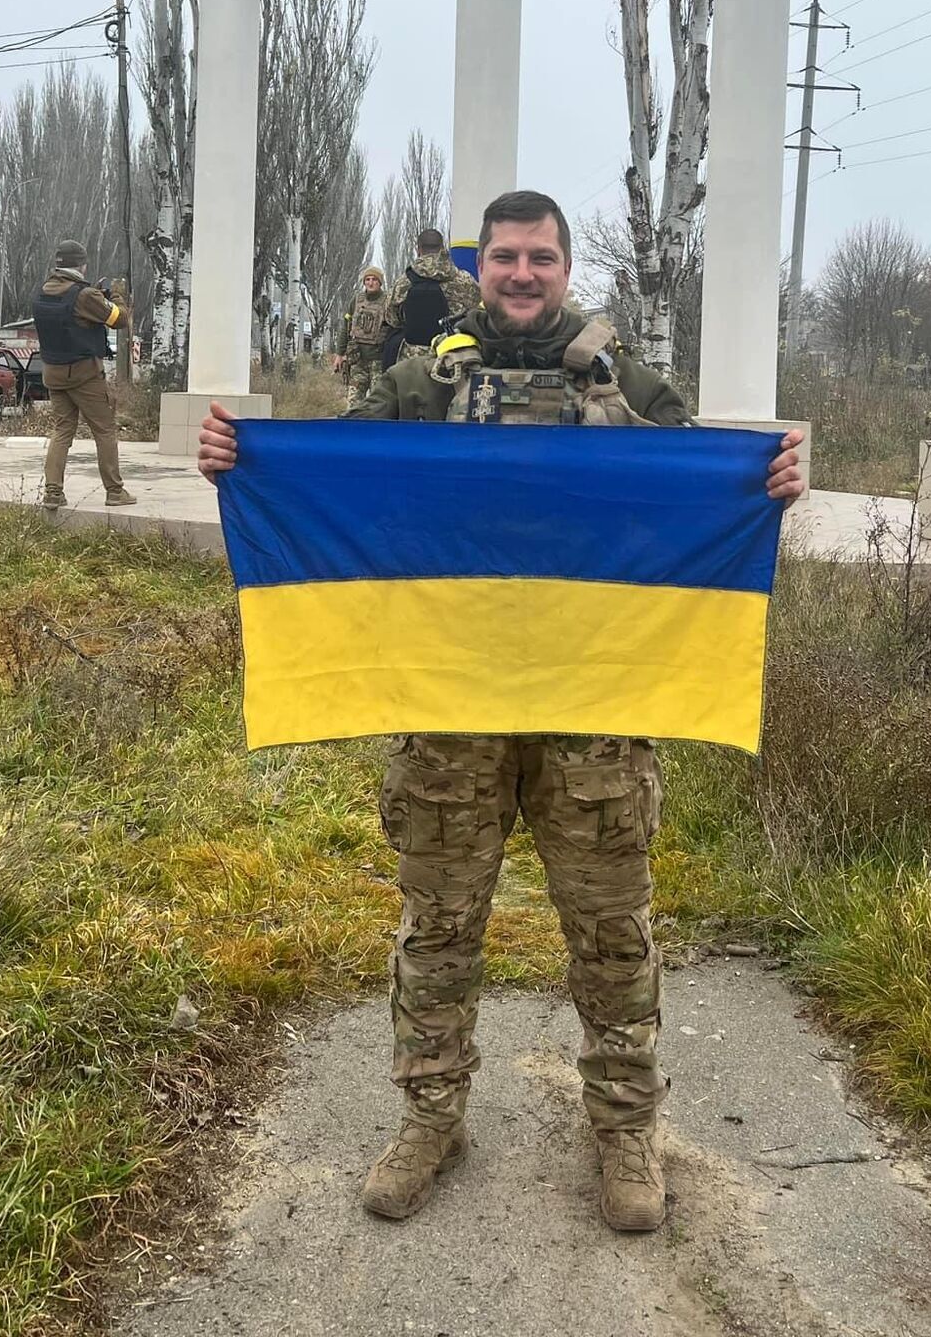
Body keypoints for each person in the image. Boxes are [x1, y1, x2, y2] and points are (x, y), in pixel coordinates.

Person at [197, 190, 805, 1235]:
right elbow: (338, 471)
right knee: (438, 931)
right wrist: (240, 460)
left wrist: (776, 478)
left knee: (613, 935)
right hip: (451, 710)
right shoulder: (424, 377)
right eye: (507, 258)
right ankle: (431, 1116)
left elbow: (697, 481)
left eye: (542, 258)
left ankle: (623, 1127)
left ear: (568, 267)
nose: (522, 274)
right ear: (483, 267)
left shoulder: (629, 381)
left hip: (594, 711)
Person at [33, 238, 136, 510]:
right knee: (104, 430)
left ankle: (53, 492)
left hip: (53, 373)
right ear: (82, 264)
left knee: (62, 432)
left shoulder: (42, 291)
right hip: (84, 375)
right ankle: (114, 491)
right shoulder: (85, 295)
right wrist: (114, 295)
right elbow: (120, 320)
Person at [382, 227, 480, 365]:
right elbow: (477, 313)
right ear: (442, 247)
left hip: (412, 360)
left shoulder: (404, 282)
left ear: (418, 249)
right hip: (453, 357)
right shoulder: (465, 280)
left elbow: (391, 318)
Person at [332, 265, 388, 409]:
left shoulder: (387, 301)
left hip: (378, 361)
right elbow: (345, 326)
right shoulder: (356, 300)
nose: (370, 283)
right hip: (358, 361)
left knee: (378, 405)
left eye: (374, 279)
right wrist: (340, 354)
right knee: (353, 404)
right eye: (367, 279)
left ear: (380, 282)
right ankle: (352, 430)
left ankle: (375, 431)